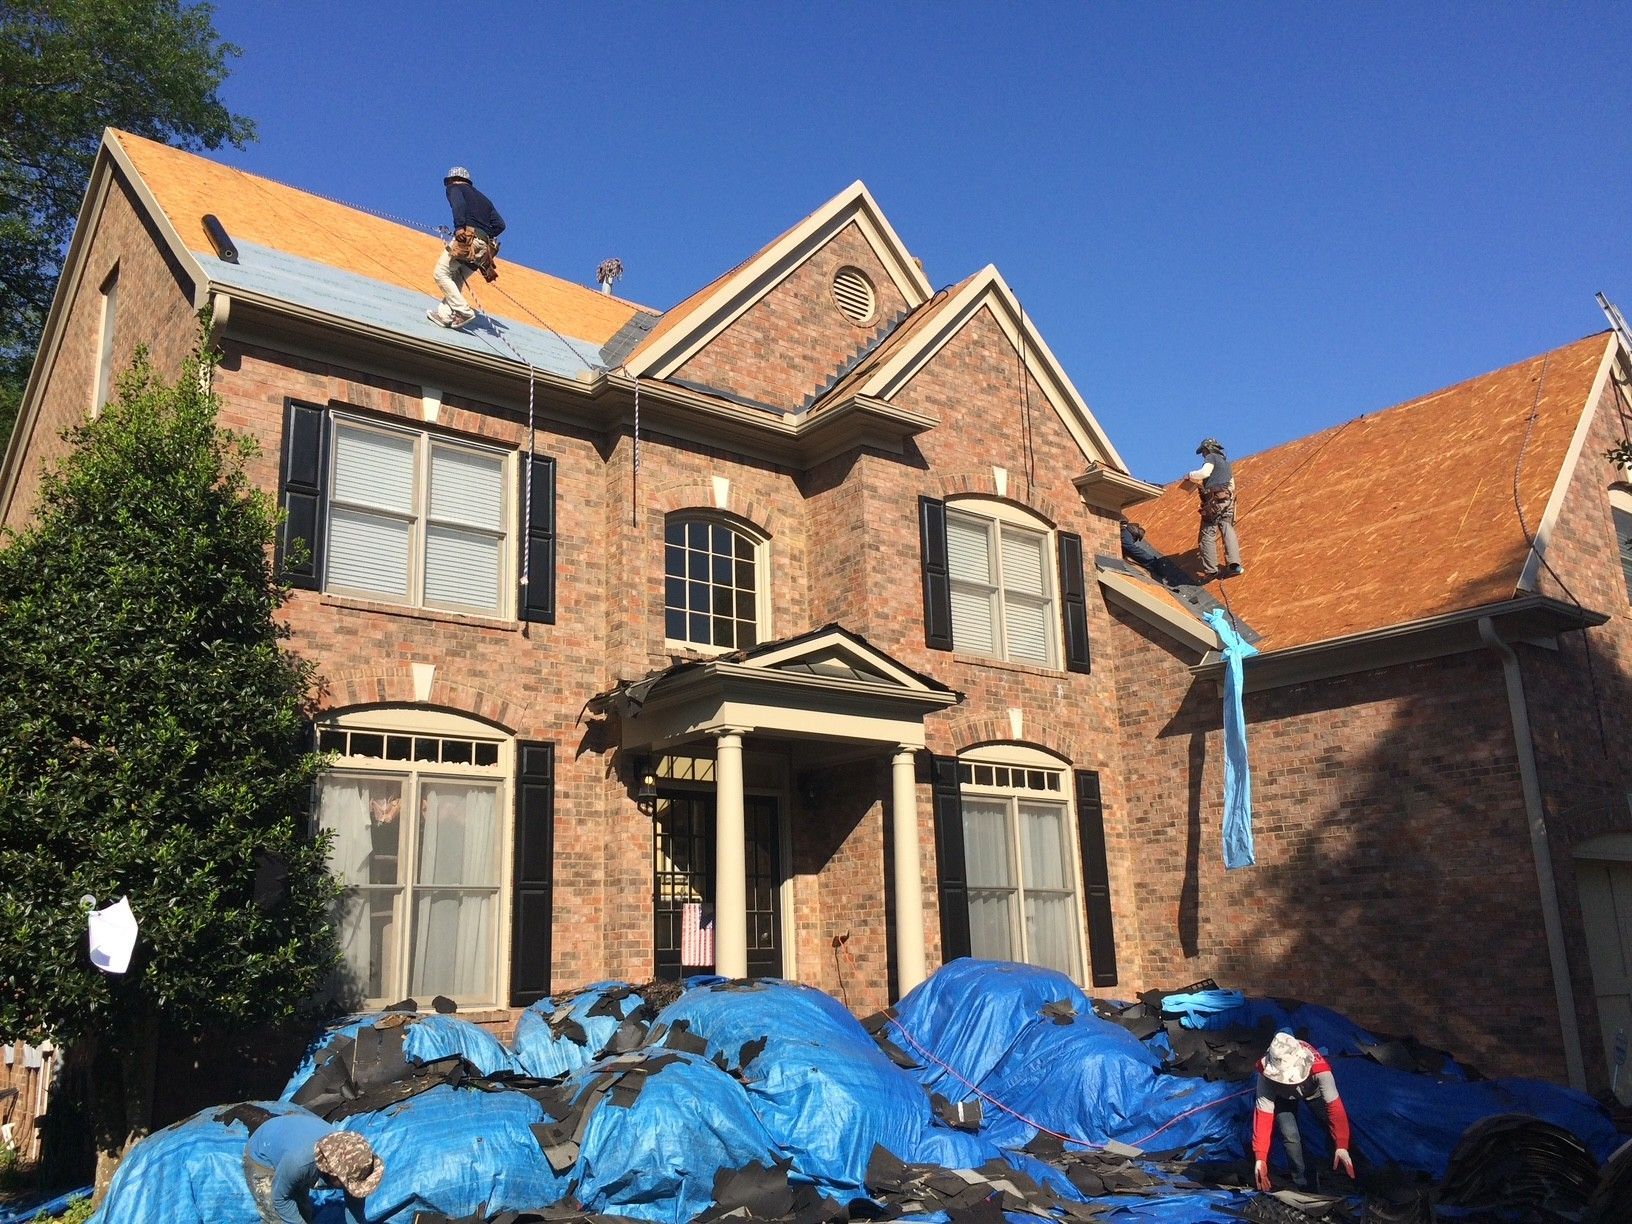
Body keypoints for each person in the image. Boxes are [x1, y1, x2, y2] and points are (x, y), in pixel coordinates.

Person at [1251, 1031, 1355, 1193]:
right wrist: (1260, 1157)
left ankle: (1348, 1161)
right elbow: (1263, 1116)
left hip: (1312, 1091)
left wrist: (1342, 1144)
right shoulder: (1266, 1073)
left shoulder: (1320, 1069)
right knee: (1290, 1136)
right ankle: (1303, 1182)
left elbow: (1335, 1108)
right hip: (1282, 1098)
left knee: (1330, 1123)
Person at [243, 1110, 384, 1223]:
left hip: (292, 1142)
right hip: (263, 1153)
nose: (349, 1189)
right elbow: (280, 1199)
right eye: (346, 1184)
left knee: (303, 1211)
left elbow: (355, 1206)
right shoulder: (299, 1163)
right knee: (278, 1217)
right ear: (333, 1173)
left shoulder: (354, 1163)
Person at [427, 165, 506, 330]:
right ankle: (445, 315)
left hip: (467, 240)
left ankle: (463, 311)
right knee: (457, 278)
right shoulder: (485, 200)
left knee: (441, 273)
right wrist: (483, 234)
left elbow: (459, 205)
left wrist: (459, 227)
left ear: (451, 180)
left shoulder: (454, 188)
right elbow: (500, 225)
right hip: (483, 248)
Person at [1185, 438, 1243, 579]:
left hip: (1214, 502)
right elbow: (1232, 486)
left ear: (1207, 449)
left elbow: (1205, 473)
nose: (1203, 455)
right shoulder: (1226, 464)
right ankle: (1234, 564)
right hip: (1226, 500)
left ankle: (1211, 570)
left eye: (1203, 452)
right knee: (1227, 529)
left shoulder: (1211, 457)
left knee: (1207, 534)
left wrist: (1190, 475)